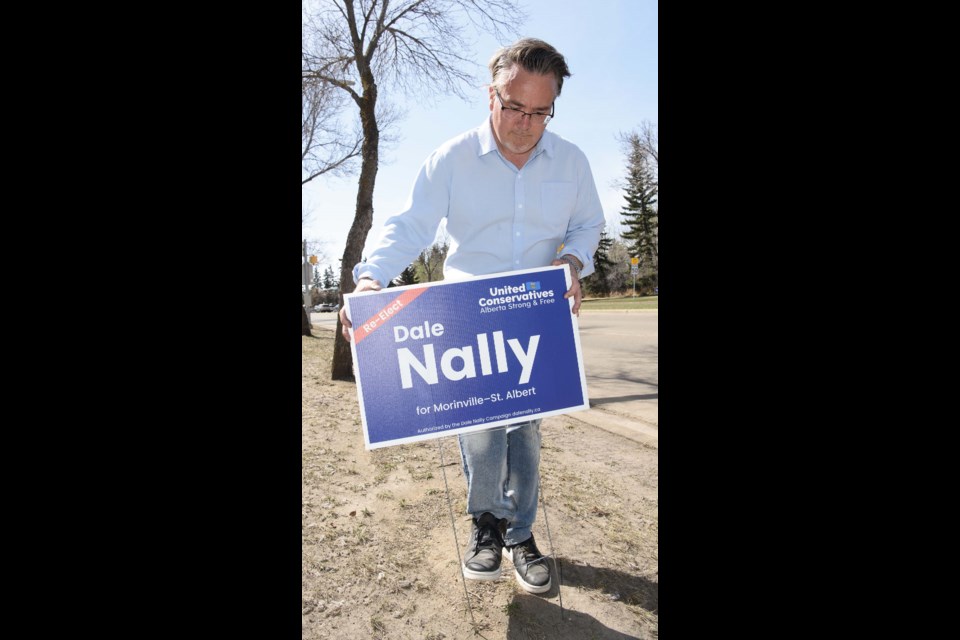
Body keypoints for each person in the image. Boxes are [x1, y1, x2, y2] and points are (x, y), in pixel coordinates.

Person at [339, 37, 604, 595]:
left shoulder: (572, 161)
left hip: (536, 319)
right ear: (492, 95)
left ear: (552, 106)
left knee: (525, 435)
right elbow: (408, 225)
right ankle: (487, 525)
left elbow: (587, 226)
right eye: (513, 106)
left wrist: (573, 260)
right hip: (467, 321)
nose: (524, 124)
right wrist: (370, 280)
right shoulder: (453, 159)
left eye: (539, 112)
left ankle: (522, 534)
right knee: (482, 434)